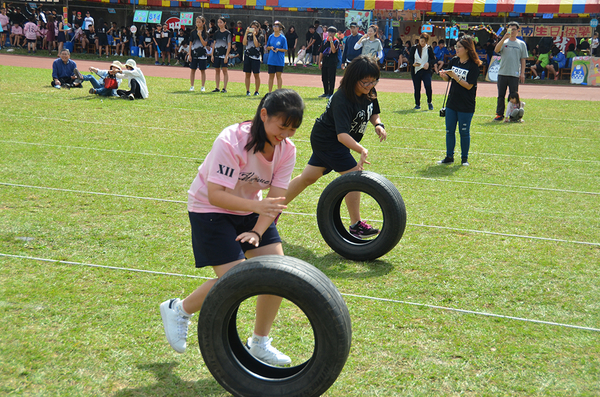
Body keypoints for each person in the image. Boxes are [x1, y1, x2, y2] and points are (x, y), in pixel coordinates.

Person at [160, 89, 304, 367]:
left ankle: (259, 343)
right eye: (281, 126)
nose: (285, 134)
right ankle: (179, 309)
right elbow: (215, 194)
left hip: (251, 209)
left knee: (277, 272)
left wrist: (258, 231)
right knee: (237, 278)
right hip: (210, 209)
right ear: (264, 115)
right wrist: (258, 208)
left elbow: (275, 200)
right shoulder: (232, 140)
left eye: (292, 129)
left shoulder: (287, 150)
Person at [283, 55, 387, 239]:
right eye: (366, 82)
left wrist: (378, 125)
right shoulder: (342, 99)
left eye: (374, 81)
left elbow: (374, 112)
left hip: (334, 142)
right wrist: (361, 149)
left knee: (307, 178)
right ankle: (356, 225)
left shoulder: (369, 91)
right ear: (353, 79)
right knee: (354, 176)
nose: (370, 85)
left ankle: (269, 208)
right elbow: (342, 135)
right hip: (328, 141)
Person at [437, 36, 482, 166]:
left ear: (467, 49)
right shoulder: (454, 61)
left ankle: (464, 159)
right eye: (456, 46)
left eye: (459, 47)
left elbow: (469, 85)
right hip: (452, 102)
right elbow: (449, 79)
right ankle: (449, 156)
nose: (456, 49)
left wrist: (455, 77)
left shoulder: (474, 65)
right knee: (449, 131)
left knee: (464, 132)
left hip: (466, 104)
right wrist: (445, 76)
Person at [493, 21, 528, 121]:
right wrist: (504, 37)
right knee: (501, 95)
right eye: (510, 29)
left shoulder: (521, 44)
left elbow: (523, 59)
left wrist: (522, 73)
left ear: (518, 31)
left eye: (514, 29)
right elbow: (496, 50)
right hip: (502, 73)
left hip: (514, 74)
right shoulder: (504, 42)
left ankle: (515, 114)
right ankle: (499, 114)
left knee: (514, 95)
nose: (512, 31)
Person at [409, 32, 435, 110]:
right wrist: (413, 64)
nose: (422, 43)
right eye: (421, 41)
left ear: (426, 41)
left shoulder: (429, 48)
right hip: (416, 71)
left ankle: (429, 102)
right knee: (417, 88)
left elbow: (433, 59)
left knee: (428, 86)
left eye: (424, 41)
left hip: (426, 71)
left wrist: (428, 63)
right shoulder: (414, 48)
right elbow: (410, 58)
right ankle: (417, 104)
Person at [243, 20, 264, 96]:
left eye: (255, 28)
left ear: (258, 28)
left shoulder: (261, 36)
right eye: (252, 28)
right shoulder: (248, 35)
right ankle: (248, 90)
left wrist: (254, 35)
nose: (253, 29)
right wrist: (246, 33)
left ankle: (256, 91)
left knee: (256, 74)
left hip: (256, 57)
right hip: (247, 56)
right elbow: (244, 43)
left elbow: (257, 45)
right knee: (247, 74)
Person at [318, 26, 339, 99]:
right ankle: (325, 92)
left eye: (332, 32)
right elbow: (321, 52)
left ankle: (330, 93)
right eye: (329, 32)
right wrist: (319, 62)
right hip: (325, 61)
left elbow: (333, 51)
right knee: (324, 77)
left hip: (332, 62)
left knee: (331, 78)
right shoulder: (324, 41)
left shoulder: (336, 41)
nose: (330, 34)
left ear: (334, 33)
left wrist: (331, 41)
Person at [266, 20, 287, 93]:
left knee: (278, 76)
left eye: (277, 26)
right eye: (274, 25)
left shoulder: (282, 38)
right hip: (271, 60)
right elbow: (267, 46)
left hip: (279, 60)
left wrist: (279, 49)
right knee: (271, 76)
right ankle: (270, 92)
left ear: (280, 28)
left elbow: (285, 49)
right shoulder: (271, 36)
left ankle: (279, 92)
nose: (275, 27)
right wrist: (271, 48)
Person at [188, 17, 209, 92]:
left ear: (203, 23)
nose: (198, 23)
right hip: (194, 54)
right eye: (196, 22)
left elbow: (204, 44)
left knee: (202, 70)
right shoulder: (193, 32)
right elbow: (190, 44)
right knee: (193, 70)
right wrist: (189, 55)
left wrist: (200, 36)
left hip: (202, 54)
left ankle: (203, 86)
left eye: (199, 22)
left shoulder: (206, 33)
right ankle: (192, 86)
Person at [211, 17, 231, 93]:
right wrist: (212, 54)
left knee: (225, 71)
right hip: (216, 54)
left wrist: (226, 56)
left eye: (221, 22)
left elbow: (229, 45)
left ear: (224, 23)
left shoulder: (228, 33)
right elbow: (214, 44)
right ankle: (217, 87)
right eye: (218, 22)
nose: (219, 24)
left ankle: (224, 88)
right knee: (217, 70)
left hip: (224, 54)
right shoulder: (216, 33)